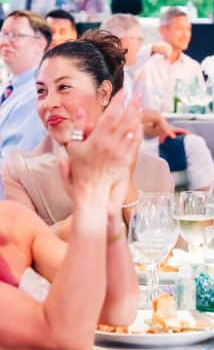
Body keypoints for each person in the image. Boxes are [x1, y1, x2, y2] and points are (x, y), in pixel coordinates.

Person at [0, 70, 140, 350]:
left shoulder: (14, 221)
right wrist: (88, 198)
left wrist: (107, 212)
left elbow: (117, 310)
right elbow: (66, 337)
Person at [2, 30, 173, 236]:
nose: (49, 103)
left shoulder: (155, 170)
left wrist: (124, 183)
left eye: (64, 87)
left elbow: (168, 257)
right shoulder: (20, 172)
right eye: (41, 91)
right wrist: (98, 193)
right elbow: (25, 256)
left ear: (103, 93)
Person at [107, 12, 214, 191]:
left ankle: (207, 202)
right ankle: (209, 203)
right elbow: (120, 119)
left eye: (189, 29)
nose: (141, 45)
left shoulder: (192, 66)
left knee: (194, 143)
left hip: (147, 137)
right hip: (132, 148)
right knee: (195, 146)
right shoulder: (130, 69)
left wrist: (159, 127)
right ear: (125, 41)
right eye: (139, 40)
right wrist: (154, 121)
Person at [0, 11, 50, 180]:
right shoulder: (9, 87)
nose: (6, 41)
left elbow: (15, 165)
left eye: (16, 35)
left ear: (40, 44)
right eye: (4, 33)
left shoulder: (39, 94)